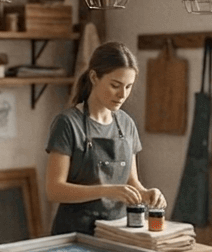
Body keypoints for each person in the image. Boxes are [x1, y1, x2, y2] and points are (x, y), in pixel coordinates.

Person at [45, 42, 166, 235]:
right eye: (115, 85)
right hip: (74, 233)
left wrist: (146, 194)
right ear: (94, 77)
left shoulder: (127, 124)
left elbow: (131, 181)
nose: (123, 94)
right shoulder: (67, 123)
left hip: (116, 230)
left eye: (129, 86)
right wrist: (107, 190)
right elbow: (54, 190)